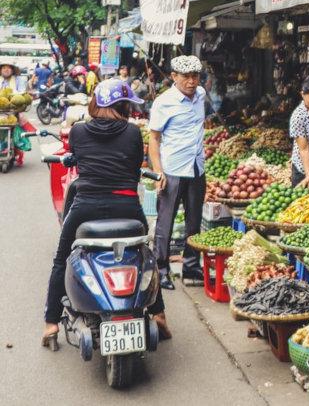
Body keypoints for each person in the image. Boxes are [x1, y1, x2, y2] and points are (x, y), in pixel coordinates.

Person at [42, 79, 170, 347]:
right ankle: (158, 315)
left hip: (85, 207)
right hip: (127, 207)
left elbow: (75, 156)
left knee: (60, 259)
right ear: (122, 105)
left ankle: (51, 324)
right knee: (146, 254)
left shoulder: (77, 132)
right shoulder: (133, 134)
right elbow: (136, 164)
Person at [148, 55, 206, 289]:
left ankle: (192, 266)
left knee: (194, 221)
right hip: (172, 169)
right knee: (165, 223)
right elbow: (153, 138)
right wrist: (158, 172)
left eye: (195, 76)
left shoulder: (201, 95)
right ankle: (161, 269)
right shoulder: (164, 102)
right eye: (186, 77)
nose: (191, 82)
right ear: (174, 77)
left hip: (196, 168)